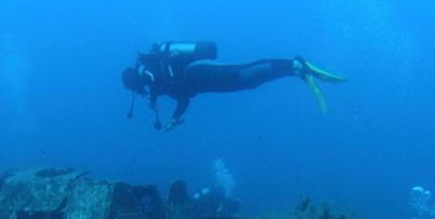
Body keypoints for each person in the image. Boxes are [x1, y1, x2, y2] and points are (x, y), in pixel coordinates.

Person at [121, 41, 346, 131]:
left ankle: (296, 63)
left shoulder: (148, 71)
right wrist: (173, 119)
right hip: (201, 84)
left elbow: (152, 77)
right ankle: (295, 70)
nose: (139, 93)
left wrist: (152, 97)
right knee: (248, 83)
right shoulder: (162, 85)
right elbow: (184, 99)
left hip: (198, 71)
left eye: (135, 88)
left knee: (243, 73)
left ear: (133, 81)